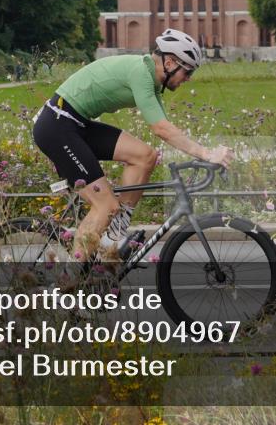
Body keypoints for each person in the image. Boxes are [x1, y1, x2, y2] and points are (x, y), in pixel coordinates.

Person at [32, 28, 233, 261]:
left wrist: (201, 152)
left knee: (145, 156)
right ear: (169, 62)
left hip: (74, 124)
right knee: (105, 205)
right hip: (56, 126)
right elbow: (161, 129)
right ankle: (69, 281)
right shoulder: (140, 73)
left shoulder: (151, 80)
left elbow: (165, 127)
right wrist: (206, 153)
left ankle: (112, 239)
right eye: (187, 71)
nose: (189, 78)